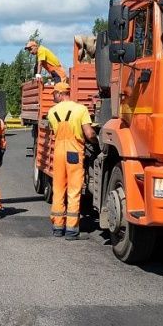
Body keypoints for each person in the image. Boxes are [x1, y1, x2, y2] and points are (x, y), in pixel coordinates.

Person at [46, 82, 97, 240]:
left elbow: (53, 131)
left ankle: (57, 226)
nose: (53, 96)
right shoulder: (80, 109)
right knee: (74, 191)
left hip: (59, 153)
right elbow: (89, 133)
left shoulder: (51, 112)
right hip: (74, 153)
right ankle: (71, 229)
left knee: (59, 189)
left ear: (61, 94)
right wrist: (96, 142)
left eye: (54, 93)